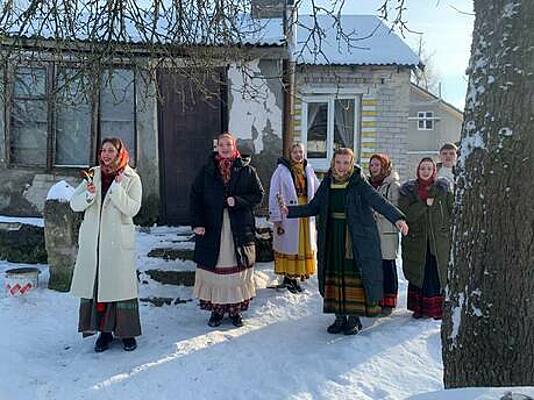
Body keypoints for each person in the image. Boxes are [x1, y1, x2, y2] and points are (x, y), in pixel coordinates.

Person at [280, 148, 408, 335]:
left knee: (354, 276)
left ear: (351, 163)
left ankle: (354, 320)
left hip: (355, 238)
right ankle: (339, 318)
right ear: (333, 163)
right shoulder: (328, 182)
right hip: (332, 236)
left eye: (346, 163)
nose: (341, 167)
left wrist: (398, 219)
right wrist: (290, 211)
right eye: (338, 162)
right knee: (335, 276)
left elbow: (378, 202)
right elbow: (314, 206)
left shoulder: (358, 182)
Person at [70, 137, 142, 352]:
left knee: (120, 286)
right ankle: (104, 333)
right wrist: (89, 195)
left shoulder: (131, 177)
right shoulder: (92, 174)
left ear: (119, 153)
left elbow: (132, 209)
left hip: (117, 242)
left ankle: (127, 333)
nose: (106, 155)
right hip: (95, 241)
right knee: (99, 286)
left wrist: (118, 189)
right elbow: (75, 203)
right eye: (103, 151)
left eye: (111, 150)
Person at [190, 132, 264, 328]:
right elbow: (195, 197)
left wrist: (238, 201)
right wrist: (197, 223)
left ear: (234, 147)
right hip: (212, 227)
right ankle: (216, 311)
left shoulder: (247, 170)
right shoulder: (206, 170)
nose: (224, 148)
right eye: (221, 145)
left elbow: (258, 195)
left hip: (238, 227)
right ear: (217, 148)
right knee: (215, 269)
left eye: (228, 145)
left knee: (236, 270)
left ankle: (235, 311)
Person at [399, 157, 453, 320]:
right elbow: (405, 213)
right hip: (417, 240)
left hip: (438, 240)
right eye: (423, 168)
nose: (425, 171)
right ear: (418, 170)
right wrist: (423, 204)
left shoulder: (442, 189)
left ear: (434, 171)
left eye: (429, 168)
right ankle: (419, 308)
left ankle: (436, 309)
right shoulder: (408, 190)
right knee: (419, 272)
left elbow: (451, 210)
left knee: (436, 272)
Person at [268, 143, 320, 293]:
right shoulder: (281, 170)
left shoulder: (308, 169)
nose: (298, 155)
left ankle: (297, 277)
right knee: (289, 244)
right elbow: (274, 193)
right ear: (290, 154)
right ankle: (288, 278)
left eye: (301, 152)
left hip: (304, 211)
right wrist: (276, 216)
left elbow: (317, 189)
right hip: (288, 213)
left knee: (302, 245)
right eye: (295, 152)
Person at [368, 153, 401, 316]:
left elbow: (395, 208)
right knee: (375, 267)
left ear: (384, 167)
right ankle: (377, 299)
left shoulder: (392, 185)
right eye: (372, 165)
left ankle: (389, 301)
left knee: (388, 266)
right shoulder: (368, 184)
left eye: (377, 165)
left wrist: (376, 211)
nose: (374, 168)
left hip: (387, 231)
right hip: (371, 231)